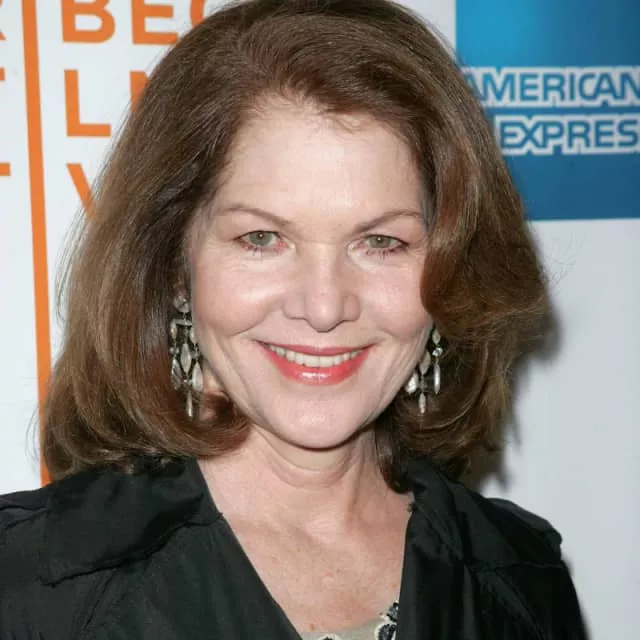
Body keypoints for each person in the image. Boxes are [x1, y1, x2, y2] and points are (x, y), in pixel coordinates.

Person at [0, 0, 587, 638]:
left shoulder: (520, 578)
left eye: (381, 242)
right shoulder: (31, 588)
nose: (324, 306)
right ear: (173, 264)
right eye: (262, 239)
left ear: (451, 271)